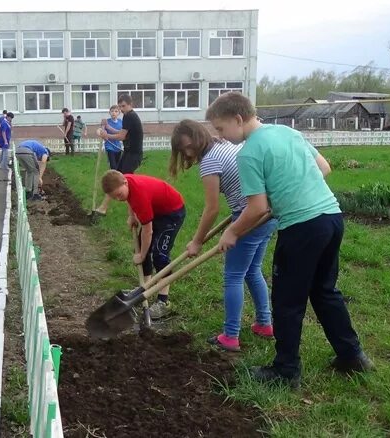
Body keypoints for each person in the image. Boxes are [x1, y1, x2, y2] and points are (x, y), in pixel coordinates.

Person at [207, 92, 373, 388]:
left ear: (237, 119)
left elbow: (256, 208)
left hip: (302, 227)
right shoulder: (287, 132)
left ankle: (286, 370)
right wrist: (289, 192)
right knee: (324, 291)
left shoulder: (249, 152)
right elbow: (324, 168)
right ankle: (352, 356)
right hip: (331, 217)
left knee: (286, 300)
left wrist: (232, 231)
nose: (220, 136)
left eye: (220, 129)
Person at [170, 119, 277, 352]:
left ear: (199, 138)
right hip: (268, 212)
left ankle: (230, 336)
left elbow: (212, 209)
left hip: (249, 215)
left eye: (189, 146)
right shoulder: (225, 145)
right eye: (183, 150)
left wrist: (197, 241)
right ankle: (264, 323)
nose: (188, 153)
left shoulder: (209, 162)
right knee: (252, 270)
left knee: (233, 275)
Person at [101, 170, 185, 319]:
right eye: (114, 197)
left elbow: (148, 231)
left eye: (119, 195)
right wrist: (131, 216)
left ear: (124, 183)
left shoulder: (139, 194)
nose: (118, 199)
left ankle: (163, 301)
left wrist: (142, 255)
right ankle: (145, 288)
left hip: (172, 213)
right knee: (141, 247)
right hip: (156, 210)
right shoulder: (124, 182)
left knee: (160, 255)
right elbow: (129, 198)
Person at [95, 94, 143, 215]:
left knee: (126, 182)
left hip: (133, 155)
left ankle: (134, 212)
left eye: (123, 106)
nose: (121, 109)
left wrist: (107, 136)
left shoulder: (129, 116)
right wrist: (107, 128)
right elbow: (122, 132)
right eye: (120, 106)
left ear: (130, 104)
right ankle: (103, 207)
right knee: (116, 179)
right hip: (128, 153)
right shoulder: (128, 116)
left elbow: (122, 136)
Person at [102, 105, 123, 170]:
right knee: (113, 166)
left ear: (119, 113)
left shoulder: (120, 122)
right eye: (112, 111)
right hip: (109, 146)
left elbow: (121, 132)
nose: (114, 113)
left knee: (118, 166)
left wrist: (109, 128)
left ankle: (115, 178)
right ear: (109, 112)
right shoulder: (106, 121)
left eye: (116, 111)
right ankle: (112, 178)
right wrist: (103, 130)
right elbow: (102, 130)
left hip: (118, 146)